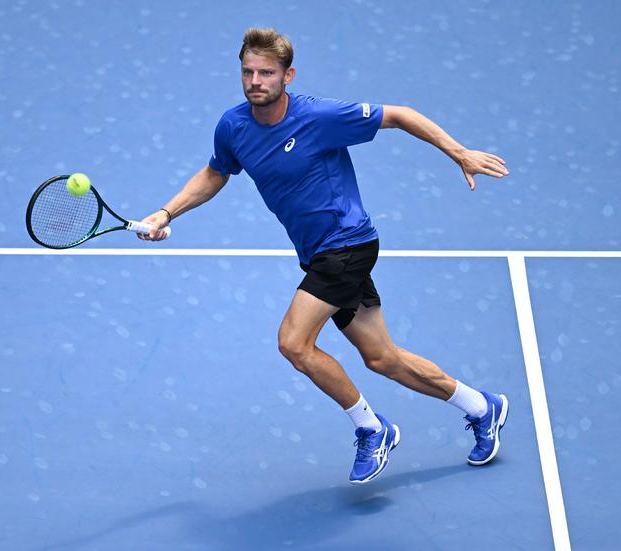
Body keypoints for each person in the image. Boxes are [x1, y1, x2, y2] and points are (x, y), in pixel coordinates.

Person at [139, 27, 510, 484]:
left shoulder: (319, 117)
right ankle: (481, 406)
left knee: (293, 343)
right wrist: (165, 212)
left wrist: (458, 153)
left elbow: (399, 114)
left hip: (348, 243)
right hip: (317, 253)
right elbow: (217, 173)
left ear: (287, 76)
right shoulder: (233, 126)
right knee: (382, 358)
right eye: (248, 71)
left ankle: (373, 429)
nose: (256, 81)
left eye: (267, 73)